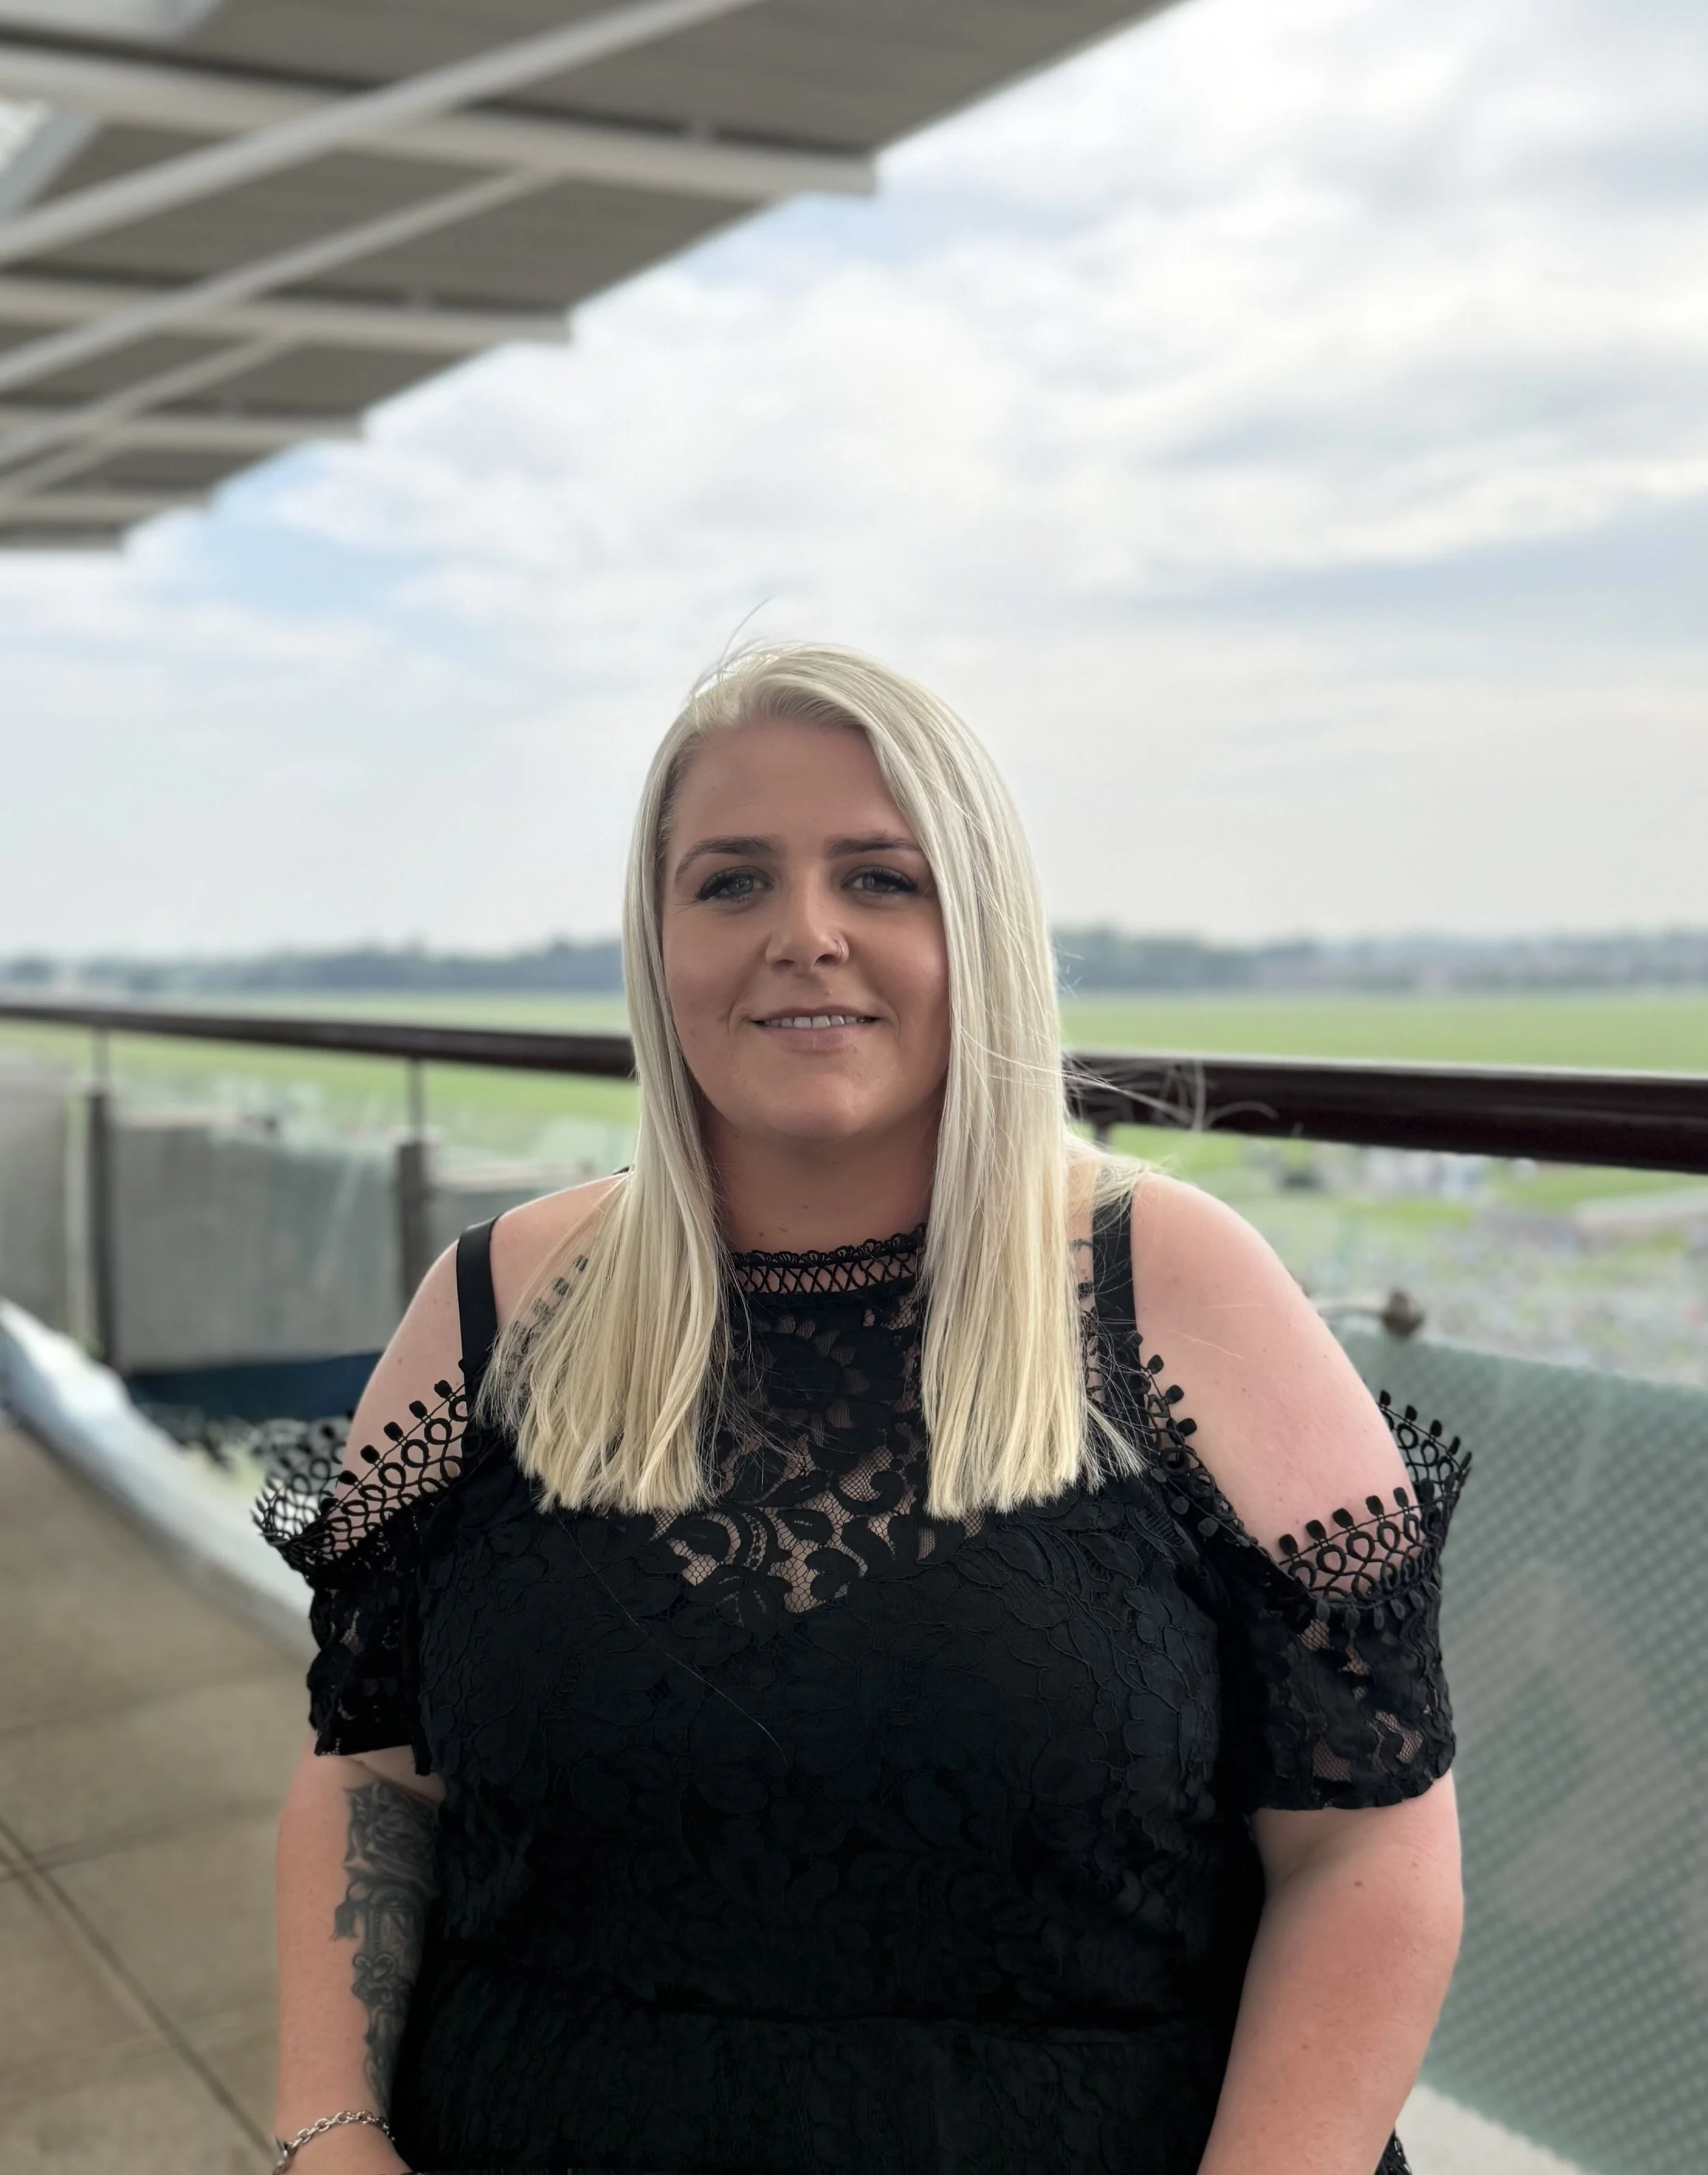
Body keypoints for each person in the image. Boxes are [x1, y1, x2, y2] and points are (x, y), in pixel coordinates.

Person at [263, 643, 1466, 2175]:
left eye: (881, 879)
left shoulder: (1167, 1287)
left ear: (979, 927)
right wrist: (329, 2128)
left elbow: (1368, 1838)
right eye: (731, 882)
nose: (805, 935)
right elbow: (369, 1772)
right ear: (657, 938)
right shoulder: (497, 1303)